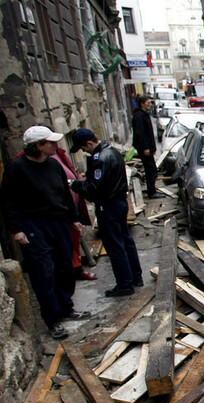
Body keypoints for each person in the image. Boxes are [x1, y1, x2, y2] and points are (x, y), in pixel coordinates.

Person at [0, 126, 91, 339]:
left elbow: (65, 195)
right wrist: (17, 229)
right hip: (34, 225)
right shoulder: (17, 169)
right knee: (44, 272)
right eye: (50, 142)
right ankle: (52, 319)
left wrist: (74, 218)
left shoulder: (53, 165)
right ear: (38, 145)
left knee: (65, 268)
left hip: (58, 222)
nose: (55, 145)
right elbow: (8, 202)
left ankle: (66, 307)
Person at [70, 129, 143, 298]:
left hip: (108, 205)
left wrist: (76, 185)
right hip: (119, 201)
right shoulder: (112, 152)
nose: (84, 152)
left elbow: (94, 189)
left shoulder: (100, 158)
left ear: (89, 143)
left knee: (114, 245)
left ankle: (125, 284)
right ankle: (135, 277)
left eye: (83, 148)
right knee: (125, 240)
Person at [131, 95, 165, 199]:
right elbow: (139, 134)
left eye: (150, 103)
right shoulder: (139, 116)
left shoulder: (144, 114)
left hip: (148, 148)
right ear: (142, 104)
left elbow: (149, 133)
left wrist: (153, 148)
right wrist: (145, 148)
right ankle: (151, 192)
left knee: (151, 170)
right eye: (148, 103)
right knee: (151, 170)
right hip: (144, 149)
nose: (150, 105)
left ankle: (152, 190)